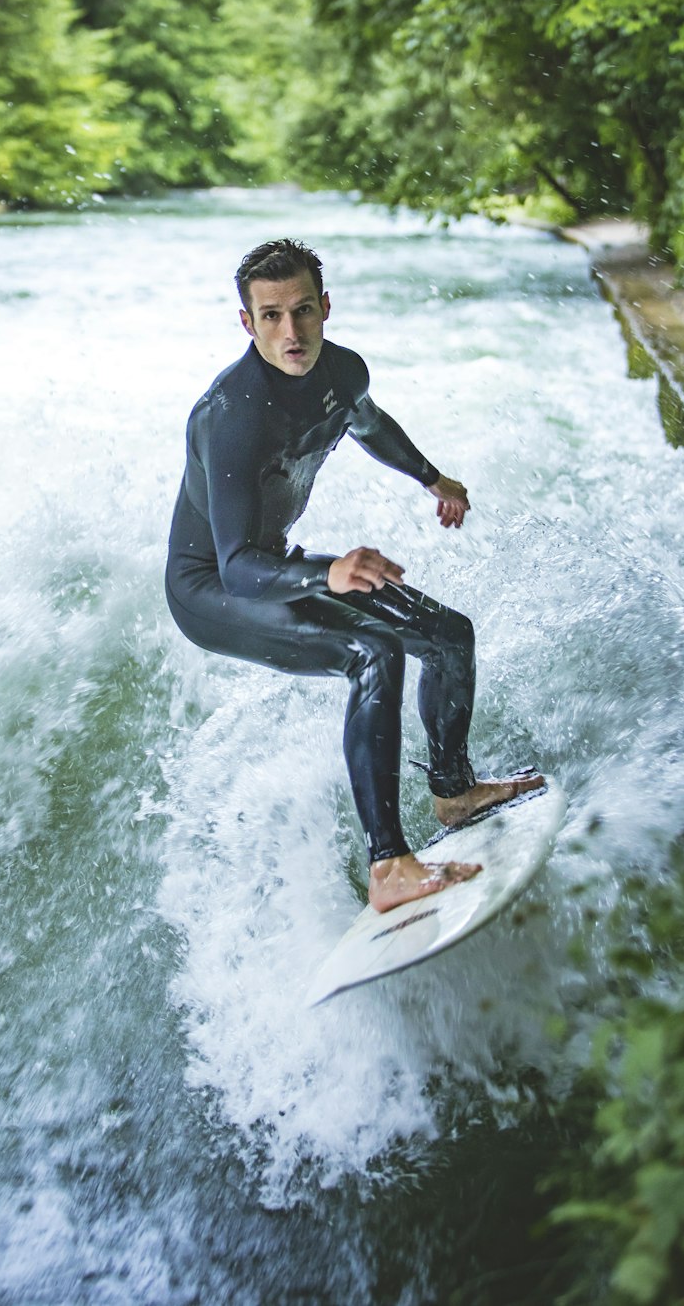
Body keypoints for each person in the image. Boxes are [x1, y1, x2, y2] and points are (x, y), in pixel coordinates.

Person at [165, 238, 543, 912]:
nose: (292, 333)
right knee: (374, 652)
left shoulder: (343, 372)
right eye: (272, 317)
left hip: (280, 567)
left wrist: (432, 478)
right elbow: (239, 568)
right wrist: (327, 571)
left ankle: (454, 793)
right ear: (247, 324)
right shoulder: (230, 417)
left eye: (304, 312)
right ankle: (388, 866)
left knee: (449, 634)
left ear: (325, 307)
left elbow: (367, 423)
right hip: (215, 590)